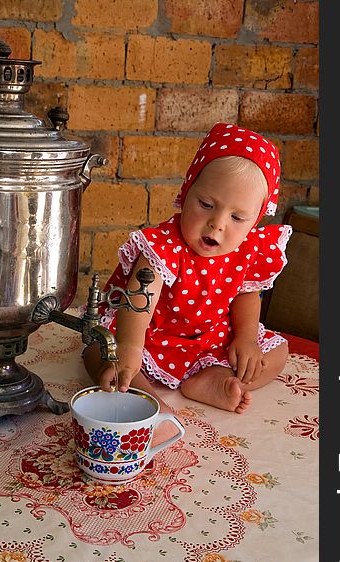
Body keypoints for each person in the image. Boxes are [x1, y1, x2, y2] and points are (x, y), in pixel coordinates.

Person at [83, 122, 292, 421]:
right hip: (147, 333)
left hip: (207, 337)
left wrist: (245, 338)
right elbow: (139, 299)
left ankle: (211, 380)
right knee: (100, 351)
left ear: (255, 220)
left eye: (237, 217)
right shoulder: (164, 245)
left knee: (276, 354)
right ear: (187, 189)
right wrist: (130, 350)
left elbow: (246, 295)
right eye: (206, 204)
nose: (217, 223)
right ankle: (144, 396)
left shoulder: (246, 249)